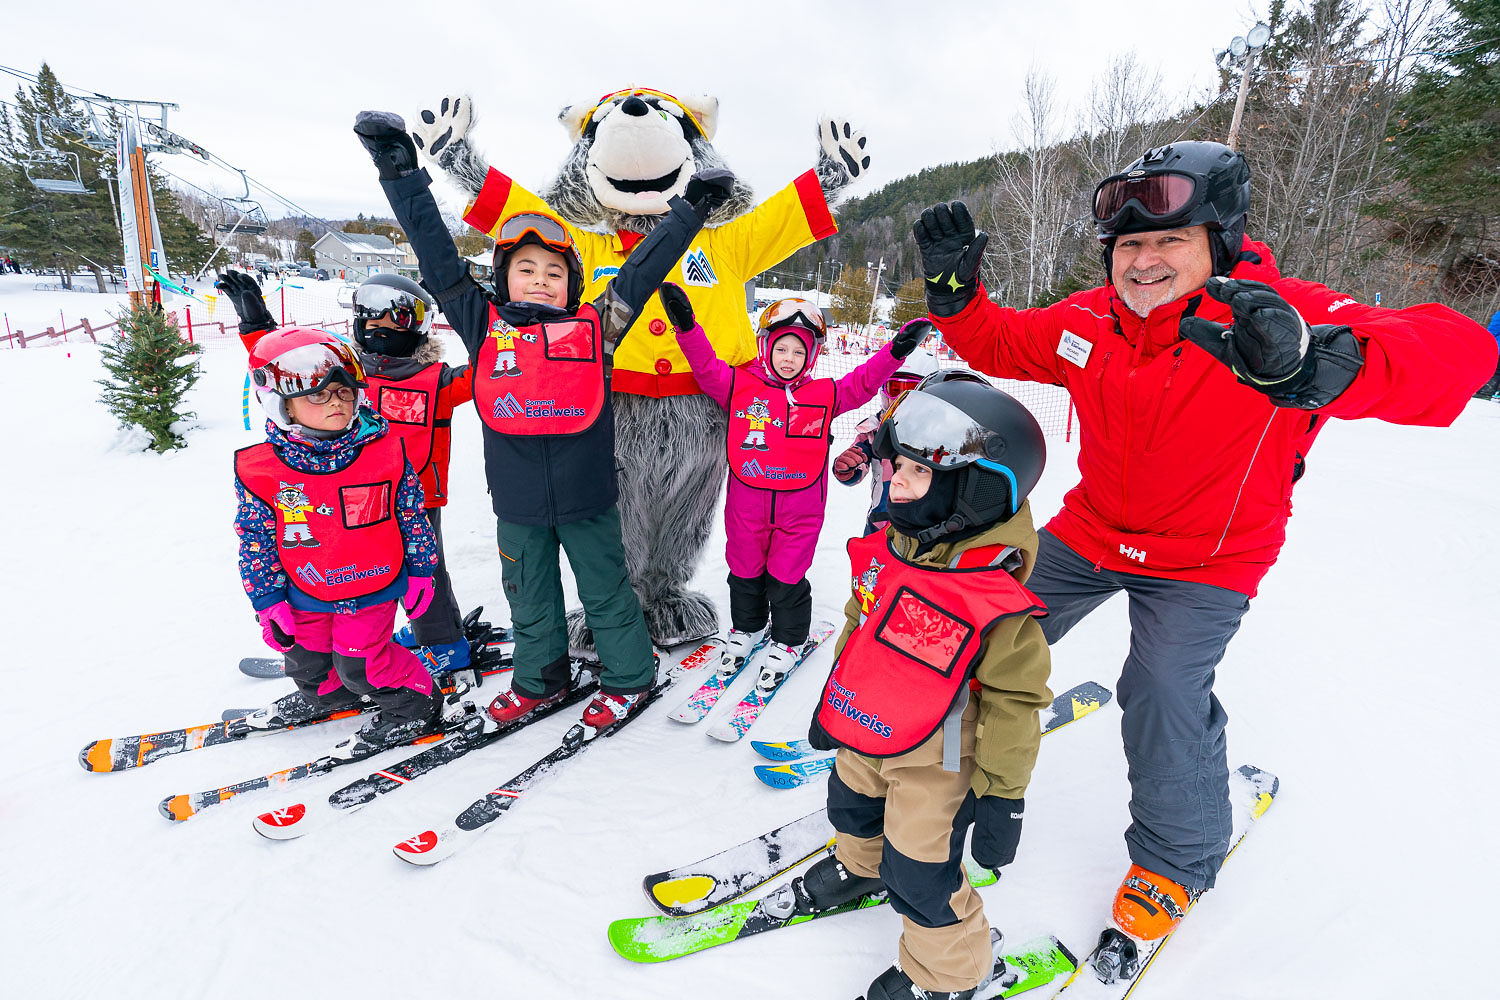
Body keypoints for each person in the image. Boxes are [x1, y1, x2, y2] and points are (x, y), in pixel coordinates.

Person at [911, 140, 1498, 948]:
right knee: (978, 628)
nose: (1144, 261)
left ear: (1218, 242)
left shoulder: (1275, 317)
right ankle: (936, 761)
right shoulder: (1089, 321)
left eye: (1169, 241)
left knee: (1157, 690)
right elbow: (1002, 343)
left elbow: (1462, 353)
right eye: (1129, 245)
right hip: (1093, 531)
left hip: (1210, 557)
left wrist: (1333, 362)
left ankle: (1178, 858)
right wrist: (953, 297)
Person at [353, 110, 734, 731]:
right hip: (519, 502)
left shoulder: (597, 328)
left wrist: (689, 209)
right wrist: (401, 174)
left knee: (607, 593)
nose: (540, 279)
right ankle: (540, 679)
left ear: (573, 286)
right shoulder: (485, 329)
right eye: (525, 269)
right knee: (529, 596)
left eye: (554, 273)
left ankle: (631, 679)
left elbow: (643, 270)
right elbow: (438, 257)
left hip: (589, 498)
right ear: (503, 278)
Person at [777, 379, 1052, 1000]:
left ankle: (950, 974)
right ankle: (861, 865)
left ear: (972, 491)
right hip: (866, 717)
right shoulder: (893, 548)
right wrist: (830, 700)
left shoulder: (998, 604)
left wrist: (1002, 796)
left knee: (923, 873)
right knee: (850, 803)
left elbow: (1018, 704)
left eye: (916, 473)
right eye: (896, 465)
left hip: (942, 753)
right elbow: (858, 622)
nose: (894, 481)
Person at [216, 269, 477, 673]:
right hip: (337, 490)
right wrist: (257, 323)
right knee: (350, 567)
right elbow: (286, 362)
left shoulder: (439, 381)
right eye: (373, 323)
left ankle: (442, 642)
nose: (382, 331)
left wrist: (483, 314)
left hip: (414, 495)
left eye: (395, 324)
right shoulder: (348, 372)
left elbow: (494, 370)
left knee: (424, 570)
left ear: (419, 329)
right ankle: (355, 642)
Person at [659, 290, 928, 681]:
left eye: (799, 352)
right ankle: (747, 630)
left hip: (800, 511)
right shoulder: (738, 387)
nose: (789, 359)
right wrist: (687, 327)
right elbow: (704, 365)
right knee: (745, 571)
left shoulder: (825, 396)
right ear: (766, 347)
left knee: (787, 575)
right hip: (746, 507)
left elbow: (864, 382)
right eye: (782, 349)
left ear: (812, 356)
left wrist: (896, 351)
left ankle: (788, 639)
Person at [234, 328, 448, 754]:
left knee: (362, 665)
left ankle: (416, 705)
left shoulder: (384, 453)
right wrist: (267, 599)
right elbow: (255, 538)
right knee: (308, 664)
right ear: (282, 404)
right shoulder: (262, 471)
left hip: (372, 586)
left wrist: (423, 572)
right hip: (304, 592)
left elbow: (411, 515)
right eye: (317, 395)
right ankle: (331, 699)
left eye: (343, 392)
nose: (336, 401)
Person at [830, 343, 945, 536]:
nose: (900, 399)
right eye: (894, 388)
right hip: (880, 526)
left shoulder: (941, 434)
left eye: (909, 390)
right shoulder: (874, 432)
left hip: (927, 530)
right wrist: (849, 468)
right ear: (883, 391)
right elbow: (859, 463)